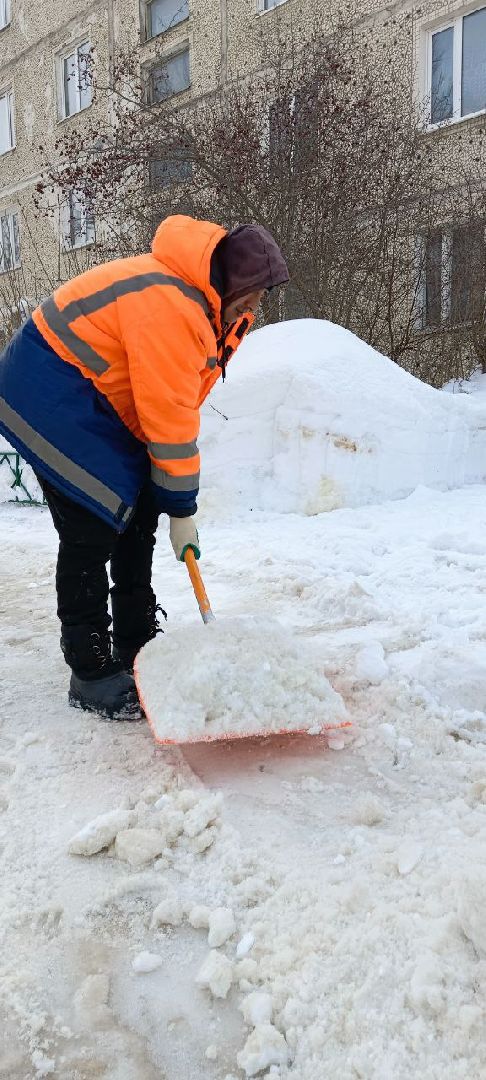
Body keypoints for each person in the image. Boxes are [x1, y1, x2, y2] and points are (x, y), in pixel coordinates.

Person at [0, 214, 289, 719]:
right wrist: (184, 508)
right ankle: (89, 670)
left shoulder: (211, 308)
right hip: (50, 390)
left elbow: (169, 411)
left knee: (140, 512)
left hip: (99, 398)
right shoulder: (172, 305)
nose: (257, 307)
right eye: (254, 294)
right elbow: (170, 412)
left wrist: (165, 499)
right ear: (233, 282)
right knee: (91, 526)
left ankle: (135, 641)